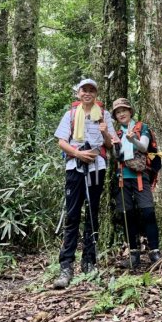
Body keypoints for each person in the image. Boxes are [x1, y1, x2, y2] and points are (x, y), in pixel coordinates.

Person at [53, 78, 118, 289]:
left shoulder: (104, 115)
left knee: (92, 213)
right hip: (75, 168)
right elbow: (62, 142)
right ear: (78, 93)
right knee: (72, 215)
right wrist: (78, 154)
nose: (88, 93)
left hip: (97, 167)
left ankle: (89, 262)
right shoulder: (70, 114)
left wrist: (104, 131)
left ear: (96, 94)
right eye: (84, 90)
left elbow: (110, 144)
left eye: (92, 90)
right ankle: (66, 265)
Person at [112, 97, 162, 269]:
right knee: (127, 215)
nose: (121, 114)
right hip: (122, 177)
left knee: (148, 211)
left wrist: (132, 139)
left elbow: (144, 147)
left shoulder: (142, 127)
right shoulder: (117, 134)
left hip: (141, 176)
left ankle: (155, 252)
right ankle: (134, 255)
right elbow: (116, 156)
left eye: (124, 110)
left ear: (130, 111)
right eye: (118, 112)